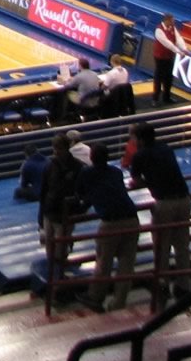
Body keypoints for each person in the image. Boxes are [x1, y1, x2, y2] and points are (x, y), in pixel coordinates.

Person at [128, 122, 191, 299]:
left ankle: (162, 283)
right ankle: (184, 285)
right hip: (184, 199)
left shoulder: (139, 156)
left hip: (164, 202)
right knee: (182, 245)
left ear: (139, 139)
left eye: (132, 137)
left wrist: (149, 183)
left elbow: (136, 180)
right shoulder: (166, 149)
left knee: (161, 245)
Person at [73, 141, 139, 312]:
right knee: (126, 263)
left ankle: (95, 296)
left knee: (104, 261)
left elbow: (80, 192)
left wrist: (83, 205)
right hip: (132, 218)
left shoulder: (87, 173)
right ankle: (119, 302)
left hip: (111, 221)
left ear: (92, 158)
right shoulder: (116, 172)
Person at [37, 132, 83, 273]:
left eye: (59, 148)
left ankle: (61, 270)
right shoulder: (49, 166)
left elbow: (82, 190)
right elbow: (44, 191)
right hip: (50, 211)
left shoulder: (77, 167)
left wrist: (77, 209)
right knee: (49, 244)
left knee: (61, 247)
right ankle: (54, 270)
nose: (56, 151)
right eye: (54, 148)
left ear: (67, 147)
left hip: (65, 213)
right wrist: (41, 216)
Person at [153, 15, 187, 106]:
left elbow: (178, 38)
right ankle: (155, 99)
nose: (174, 22)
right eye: (172, 20)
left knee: (169, 77)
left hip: (169, 56)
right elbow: (167, 43)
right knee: (159, 78)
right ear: (166, 20)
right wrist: (178, 51)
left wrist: (184, 48)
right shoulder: (159, 30)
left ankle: (166, 97)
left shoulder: (172, 28)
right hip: (160, 57)